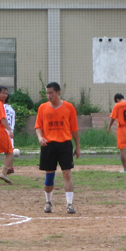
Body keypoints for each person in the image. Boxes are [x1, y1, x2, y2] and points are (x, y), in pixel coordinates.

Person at [35, 82, 81, 214]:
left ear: (58, 93)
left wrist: (77, 146)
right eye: (47, 93)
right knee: (49, 176)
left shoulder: (69, 107)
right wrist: (40, 137)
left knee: (67, 173)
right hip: (48, 145)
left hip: (64, 144)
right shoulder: (43, 108)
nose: (48, 95)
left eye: (51, 93)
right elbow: (38, 126)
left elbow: (74, 129)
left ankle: (70, 204)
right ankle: (48, 202)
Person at [3, 94, 17, 174]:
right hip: (10, 131)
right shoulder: (11, 109)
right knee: (10, 151)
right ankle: (10, 167)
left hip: (1, 130)